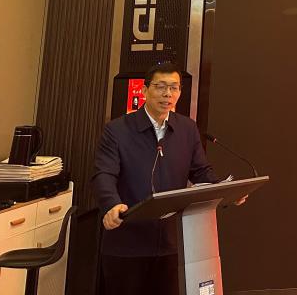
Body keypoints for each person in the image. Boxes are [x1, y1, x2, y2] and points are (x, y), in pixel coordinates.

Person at [93, 62, 222, 294]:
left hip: (171, 243)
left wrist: (224, 189)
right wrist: (111, 204)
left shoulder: (187, 128)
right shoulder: (118, 130)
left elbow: (201, 172)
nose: (168, 94)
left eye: (174, 87)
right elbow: (104, 173)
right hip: (127, 241)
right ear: (145, 90)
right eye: (161, 87)